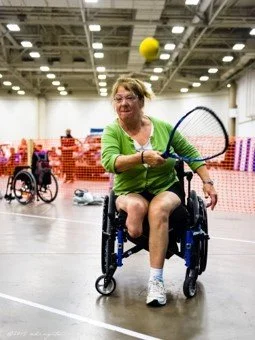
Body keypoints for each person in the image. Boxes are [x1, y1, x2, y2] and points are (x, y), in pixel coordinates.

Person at [101, 76, 217, 307]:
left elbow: (190, 152)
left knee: (158, 208)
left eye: (129, 98)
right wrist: (142, 156)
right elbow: (110, 162)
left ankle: (156, 281)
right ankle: (158, 242)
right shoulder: (112, 131)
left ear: (141, 101)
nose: (123, 103)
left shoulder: (163, 128)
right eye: (118, 98)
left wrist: (208, 181)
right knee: (135, 213)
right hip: (129, 190)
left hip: (165, 187)